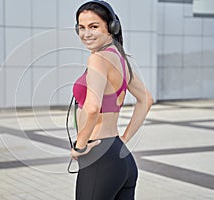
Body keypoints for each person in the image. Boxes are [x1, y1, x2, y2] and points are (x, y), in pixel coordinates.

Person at [70, 1, 153, 199]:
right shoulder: (121, 59)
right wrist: (122, 140)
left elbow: (92, 108)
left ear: (111, 27)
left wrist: (79, 147)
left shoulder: (98, 59)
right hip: (120, 158)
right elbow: (146, 99)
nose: (86, 34)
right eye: (81, 28)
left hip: (100, 160)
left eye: (94, 26)